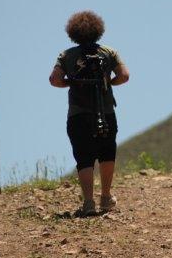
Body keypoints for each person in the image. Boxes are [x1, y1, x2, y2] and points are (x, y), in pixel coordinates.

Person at [49, 11, 129, 217]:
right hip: (106, 110)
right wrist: (107, 83)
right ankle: (106, 197)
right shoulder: (109, 52)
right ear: (98, 30)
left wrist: (71, 82)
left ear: (73, 32)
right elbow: (124, 76)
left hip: (78, 114)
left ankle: (88, 203)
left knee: (83, 156)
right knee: (107, 151)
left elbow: (54, 80)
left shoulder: (66, 55)